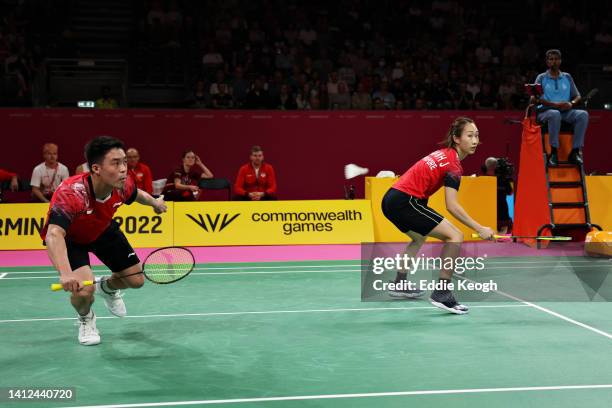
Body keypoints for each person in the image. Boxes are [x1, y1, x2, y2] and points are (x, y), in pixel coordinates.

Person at [41, 136, 167, 345]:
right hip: (72, 239)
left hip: (102, 229)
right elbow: (54, 234)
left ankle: (106, 287)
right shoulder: (71, 193)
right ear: (96, 168)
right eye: (116, 163)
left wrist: (155, 203)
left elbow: (137, 195)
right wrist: (65, 273)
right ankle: (86, 318)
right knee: (83, 291)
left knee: (136, 281)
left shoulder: (122, 185)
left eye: (124, 162)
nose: (123, 168)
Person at [381, 117, 495, 315]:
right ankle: (442, 293)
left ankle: (399, 283)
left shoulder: (444, 154)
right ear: (456, 138)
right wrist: (479, 228)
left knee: (418, 238)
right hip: (405, 200)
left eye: (477, 135)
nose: (475, 140)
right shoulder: (454, 166)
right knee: (455, 235)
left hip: (391, 199)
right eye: (469, 135)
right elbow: (451, 205)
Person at [535, 49, 588, 166]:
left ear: (560, 61)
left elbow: (577, 95)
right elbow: (537, 98)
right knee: (554, 113)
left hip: (566, 111)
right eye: (551, 59)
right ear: (547, 62)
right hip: (546, 111)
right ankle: (553, 153)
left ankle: (574, 152)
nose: (554, 62)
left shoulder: (567, 77)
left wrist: (572, 103)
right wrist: (554, 105)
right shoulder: (541, 78)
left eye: (556, 59)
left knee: (583, 115)